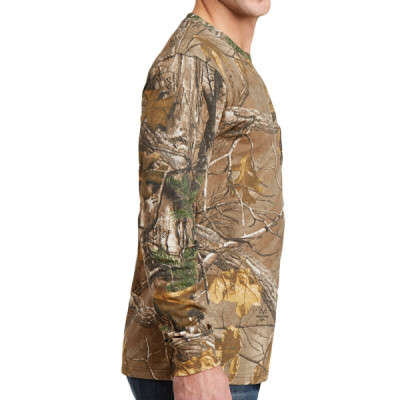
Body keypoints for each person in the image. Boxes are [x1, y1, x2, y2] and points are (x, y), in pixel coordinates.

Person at [121, 1, 285, 399]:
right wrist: (193, 357)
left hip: (227, 355)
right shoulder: (191, 61)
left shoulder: (225, 59)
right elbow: (164, 220)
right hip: (199, 359)